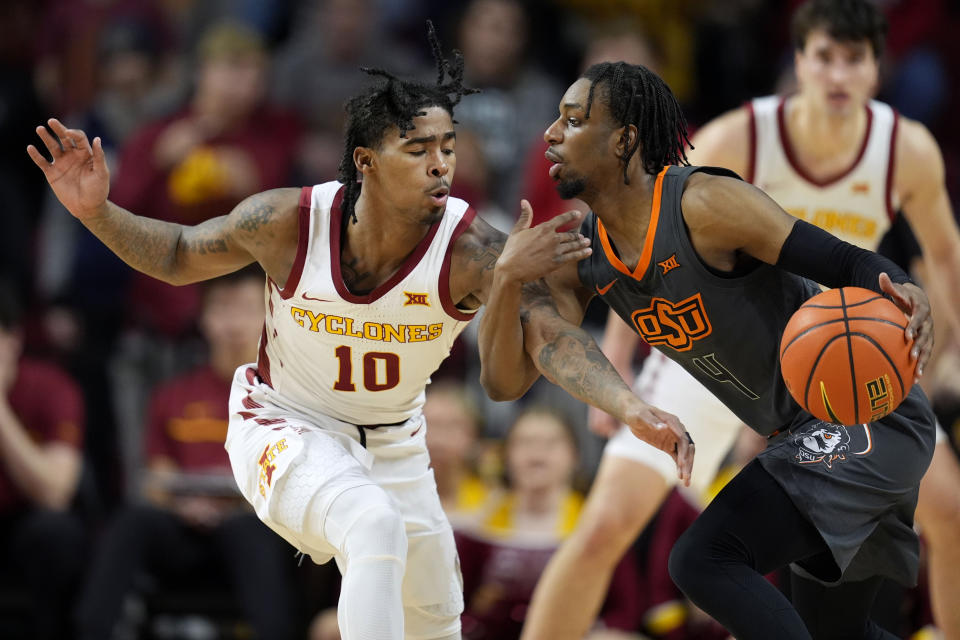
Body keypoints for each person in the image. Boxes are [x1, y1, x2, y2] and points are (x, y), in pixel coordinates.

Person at [29, 24, 677, 640]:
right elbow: (174, 254)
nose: (440, 166)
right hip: (283, 426)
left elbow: (551, 340)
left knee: (436, 613)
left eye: (448, 148)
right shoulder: (287, 220)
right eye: (418, 150)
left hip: (395, 444)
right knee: (370, 524)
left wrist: (627, 402)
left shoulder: (472, 248)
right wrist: (99, 214)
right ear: (365, 161)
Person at [478, 54, 938, 639]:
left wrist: (906, 292)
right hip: (803, 435)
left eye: (572, 120)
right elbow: (505, 381)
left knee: (702, 559)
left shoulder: (703, 205)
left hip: (866, 417)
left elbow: (845, 261)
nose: (549, 133)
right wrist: (506, 280)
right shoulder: (584, 258)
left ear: (624, 140)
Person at [75, 266, 298, 640]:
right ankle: (92, 630)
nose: (233, 322)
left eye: (246, 308)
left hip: (254, 526)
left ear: (270, 316)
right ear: (205, 319)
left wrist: (235, 505)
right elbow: (157, 481)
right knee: (132, 521)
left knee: (251, 532)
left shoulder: (289, 396)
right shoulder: (173, 395)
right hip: (184, 528)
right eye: (222, 308)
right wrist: (183, 505)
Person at [0, 280, 87, 639]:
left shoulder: (52, 387)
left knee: (56, 532)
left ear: (13, 339)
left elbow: (55, 492)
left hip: (25, 524)